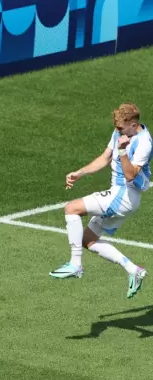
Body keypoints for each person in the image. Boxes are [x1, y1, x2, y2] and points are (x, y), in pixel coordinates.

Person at [49, 103, 152, 298]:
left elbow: (131, 175)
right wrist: (80, 173)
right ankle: (133, 270)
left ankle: (75, 265)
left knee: (71, 208)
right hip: (118, 193)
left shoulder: (144, 143)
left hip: (124, 196)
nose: (117, 131)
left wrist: (122, 151)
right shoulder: (120, 132)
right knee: (87, 239)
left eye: (120, 128)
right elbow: (105, 157)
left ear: (133, 123)